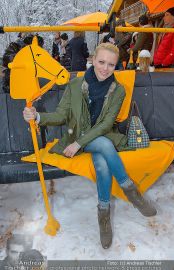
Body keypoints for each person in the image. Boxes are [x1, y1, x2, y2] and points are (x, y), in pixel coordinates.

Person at [23, 43, 157, 249]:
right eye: (101, 62)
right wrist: (38, 116)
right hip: (78, 135)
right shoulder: (75, 86)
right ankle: (131, 192)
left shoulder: (118, 90)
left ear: (116, 66)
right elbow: (61, 115)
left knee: (102, 160)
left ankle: (103, 214)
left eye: (111, 64)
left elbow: (105, 125)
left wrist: (78, 144)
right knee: (103, 147)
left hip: (100, 136)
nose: (105, 68)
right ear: (93, 60)